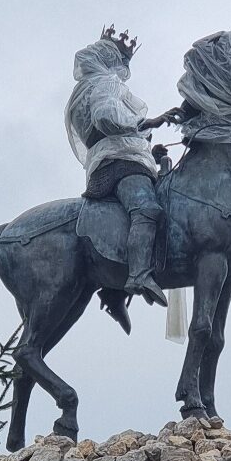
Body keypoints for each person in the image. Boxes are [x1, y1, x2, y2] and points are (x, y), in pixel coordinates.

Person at [65, 26, 175, 309]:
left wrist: (149, 149)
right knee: (147, 211)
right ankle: (138, 275)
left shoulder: (83, 89)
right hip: (122, 161)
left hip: (114, 159)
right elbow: (105, 117)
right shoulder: (105, 82)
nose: (123, 69)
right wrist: (144, 123)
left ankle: (114, 292)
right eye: (121, 62)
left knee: (127, 220)